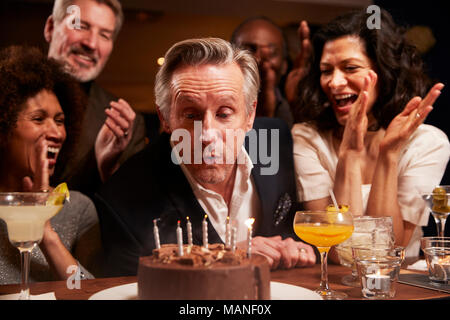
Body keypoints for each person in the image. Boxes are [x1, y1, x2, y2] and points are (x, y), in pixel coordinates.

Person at [94, 38, 316, 277]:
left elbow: (298, 229)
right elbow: (132, 288)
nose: (207, 134)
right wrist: (228, 256)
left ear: (249, 115)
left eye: (224, 113)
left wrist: (296, 247)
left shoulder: (278, 139)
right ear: (165, 118)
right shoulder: (122, 199)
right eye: (191, 115)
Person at [291, 9, 450, 259]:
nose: (334, 82)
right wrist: (349, 155)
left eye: (350, 68)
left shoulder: (427, 142)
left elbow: (388, 249)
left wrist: (389, 154)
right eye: (326, 70)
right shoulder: (307, 138)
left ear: (385, 73)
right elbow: (337, 252)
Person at [0, 45, 101, 284]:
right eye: (38, 119)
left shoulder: (77, 207)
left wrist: (44, 230)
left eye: (60, 121)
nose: (56, 132)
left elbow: (90, 293)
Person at [43, 0, 147, 198]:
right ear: (50, 28)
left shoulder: (126, 125)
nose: (91, 43)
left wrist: (108, 168)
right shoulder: (9, 94)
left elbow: (132, 210)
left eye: (104, 35)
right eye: (80, 26)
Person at [231, 16, 295, 128]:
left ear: (284, 65)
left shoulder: (294, 113)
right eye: (249, 50)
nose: (259, 59)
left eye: (271, 52)